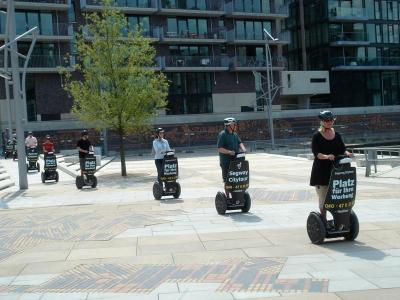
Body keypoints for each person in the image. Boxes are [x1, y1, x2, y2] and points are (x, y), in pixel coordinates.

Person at [310, 111, 353, 223]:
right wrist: (327, 156)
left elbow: (343, 149)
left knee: (338, 197)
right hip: (321, 172)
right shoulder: (317, 136)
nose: (329, 122)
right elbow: (317, 154)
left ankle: (340, 220)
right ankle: (323, 221)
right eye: (326, 120)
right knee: (324, 198)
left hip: (337, 171)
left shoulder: (337, 135)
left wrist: (347, 153)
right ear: (322, 122)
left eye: (331, 120)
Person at [217, 117, 246, 197]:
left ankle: (237, 195)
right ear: (228, 125)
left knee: (236, 178)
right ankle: (227, 196)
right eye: (233, 124)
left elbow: (240, 142)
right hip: (226, 162)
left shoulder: (234, 134)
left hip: (235, 161)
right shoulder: (223, 134)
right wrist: (229, 152)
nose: (235, 126)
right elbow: (219, 149)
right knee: (227, 180)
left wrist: (243, 149)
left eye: (235, 124)